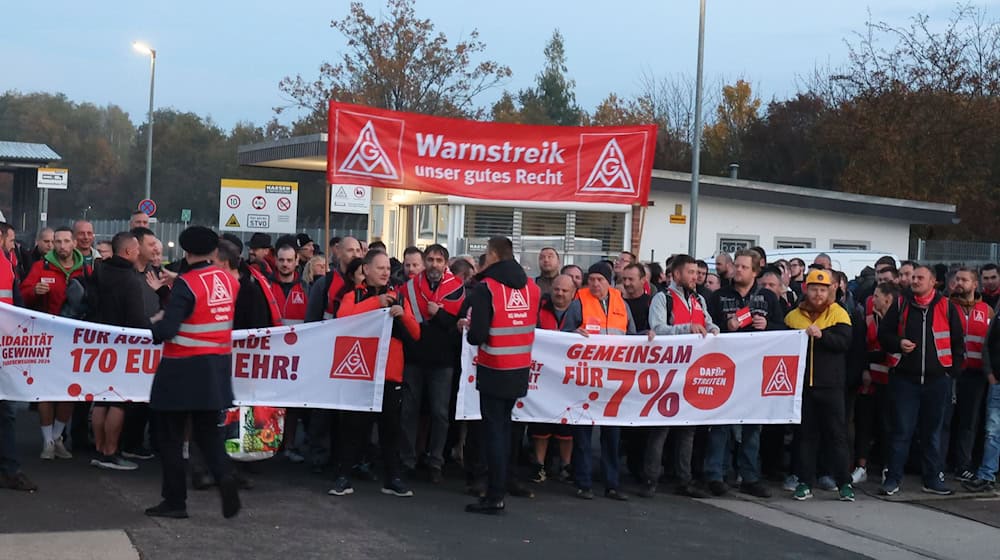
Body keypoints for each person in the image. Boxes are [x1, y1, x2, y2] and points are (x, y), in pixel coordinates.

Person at [146, 226, 240, 519]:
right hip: (216, 368)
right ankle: (225, 476)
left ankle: (175, 502)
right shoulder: (229, 280)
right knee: (208, 434)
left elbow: (168, 329)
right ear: (214, 252)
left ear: (186, 252)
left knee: (170, 438)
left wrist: (156, 322)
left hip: (181, 370)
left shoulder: (187, 285)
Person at [331, 251, 419, 498]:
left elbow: (415, 333)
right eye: (379, 268)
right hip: (360, 373)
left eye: (387, 269)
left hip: (391, 374)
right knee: (352, 428)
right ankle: (343, 476)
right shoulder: (353, 295)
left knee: (390, 430)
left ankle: (392, 479)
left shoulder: (399, 296)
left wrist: (403, 315)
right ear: (366, 270)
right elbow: (342, 319)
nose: (384, 272)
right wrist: (375, 304)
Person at [463, 237, 540, 514]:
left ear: (494, 255)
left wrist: (469, 327)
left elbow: (477, 335)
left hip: (494, 368)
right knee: (507, 431)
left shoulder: (487, 288)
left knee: (494, 433)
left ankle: (495, 495)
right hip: (519, 369)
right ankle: (504, 483)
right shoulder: (531, 287)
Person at [703, 249, 785, 498]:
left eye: (743, 267)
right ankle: (716, 474)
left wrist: (767, 326)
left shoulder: (768, 298)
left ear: (755, 271)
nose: (737, 270)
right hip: (726, 368)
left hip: (755, 371)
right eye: (736, 266)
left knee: (752, 426)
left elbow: (784, 330)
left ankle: (749, 476)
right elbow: (708, 329)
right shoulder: (719, 296)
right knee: (721, 424)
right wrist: (724, 328)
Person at [878, 264, 964, 496]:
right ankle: (893, 479)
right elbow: (883, 335)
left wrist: (950, 372)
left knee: (932, 434)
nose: (914, 281)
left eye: (920, 277)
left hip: (937, 381)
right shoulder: (900, 303)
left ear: (933, 282)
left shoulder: (947, 306)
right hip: (905, 380)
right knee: (901, 432)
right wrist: (898, 344)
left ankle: (932, 479)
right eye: (913, 277)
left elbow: (958, 343)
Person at [561, 262, 642, 502]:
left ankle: (612, 484)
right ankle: (584, 483)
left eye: (600, 280)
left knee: (612, 436)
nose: (595, 284)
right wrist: (573, 335)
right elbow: (562, 335)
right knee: (584, 435)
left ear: (609, 282)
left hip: (613, 381)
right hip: (587, 378)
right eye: (592, 279)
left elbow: (631, 337)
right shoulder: (579, 303)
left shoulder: (622, 304)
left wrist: (646, 337)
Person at [645, 254, 717, 499]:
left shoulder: (698, 299)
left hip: (692, 371)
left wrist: (714, 330)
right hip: (667, 372)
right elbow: (657, 329)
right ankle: (651, 478)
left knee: (687, 429)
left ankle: (683, 479)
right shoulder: (662, 299)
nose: (695, 277)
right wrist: (685, 329)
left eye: (697, 272)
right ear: (676, 275)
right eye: (690, 272)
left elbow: (707, 323)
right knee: (661, 428)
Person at [784, 269, 855, 501]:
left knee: (837, 436)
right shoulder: (793, 316)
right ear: (806, 289)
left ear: (830, 291)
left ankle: (844, 482)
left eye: (822, 289)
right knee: (805, 437)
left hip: (831, 386)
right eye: (814, 288)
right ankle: (805, 482)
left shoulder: (839, 314)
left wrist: (822, 336)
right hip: (803, 388)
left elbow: (844, 343)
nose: (818, 293)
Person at [21, 226, 91, 459]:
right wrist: (35, 291)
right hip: (47, 338)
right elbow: (24, 293)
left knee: (69, 392)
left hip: (75, 339)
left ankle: (59, 437)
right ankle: (47, 442)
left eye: (65, 241)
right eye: (57, 241)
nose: (61, 246)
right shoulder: (42, 266)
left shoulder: (87, 268)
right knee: (45, 392)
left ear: (73, 244)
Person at [400, 244, 465, 482]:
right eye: (430, 259)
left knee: (439, 413)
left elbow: (456, 323)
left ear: (445, 263)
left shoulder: (457, 288)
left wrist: (438, 314)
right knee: (409, 411)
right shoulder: (409, 287)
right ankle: (407, 459)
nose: (434, 264)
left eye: (439, 260)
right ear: (424, 261)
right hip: (414, 358)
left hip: (443, 360)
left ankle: (435, 461)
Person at [90, 232, 150, 471]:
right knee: (118, 400)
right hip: (122, 346)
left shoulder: (99, 271)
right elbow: (136, 320)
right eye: (136, 249)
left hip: (98, 342)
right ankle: (111, 452)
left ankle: (99, 448)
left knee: (100, 398)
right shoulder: (130, 279)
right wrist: (153, 322)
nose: (139, 253)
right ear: (127, 252)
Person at [528, 274, 577, 484]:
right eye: (557, 289)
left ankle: (566, 466)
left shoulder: (579, 310)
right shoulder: (540, 308)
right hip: (543, 375)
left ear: (573, 293)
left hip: (570, 376)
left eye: (565, 290)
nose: (560, 293)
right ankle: (538, 466)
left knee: (567, 424)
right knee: (540, 422)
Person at [949, 268, 995, 482]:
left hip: (977, 374)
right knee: (946, 420)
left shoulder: (986, 310)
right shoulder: (947, 307)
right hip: (951, 372)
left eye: (964, 280)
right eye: (957, 279)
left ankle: (963, 464)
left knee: (970, 422)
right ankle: (943, 462)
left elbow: (993, 342)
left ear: (974, 284)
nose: (959, 283)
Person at [852, 281, 900, 485]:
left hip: (892, 383)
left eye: (877, 295)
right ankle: (861, 467)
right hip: (869, 382)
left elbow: (894, 350)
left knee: (888, 427)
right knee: (864, 425)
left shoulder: (900, 320)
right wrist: (866, 365)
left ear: (888, 298)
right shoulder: (868, 320)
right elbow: (861, 348)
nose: (873, 299)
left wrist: (875, 355)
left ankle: (888, 468)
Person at [963, 310, 1000, 492]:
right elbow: (987, 345)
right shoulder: (998, 315)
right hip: (997, 383)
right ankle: (987, 475)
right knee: (992, 432)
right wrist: (990, 374)